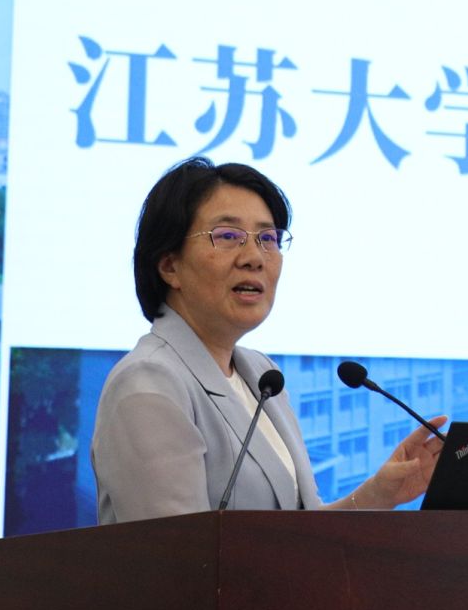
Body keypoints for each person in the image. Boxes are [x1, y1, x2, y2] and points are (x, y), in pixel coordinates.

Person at [91, 157, 445, 522]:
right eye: (228, 236)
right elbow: (178, 549)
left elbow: (297, 532)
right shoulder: (149, 383)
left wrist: (378, 495)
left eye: (268, 239)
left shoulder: (261, 374)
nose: (255, 258)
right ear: (169, 266)